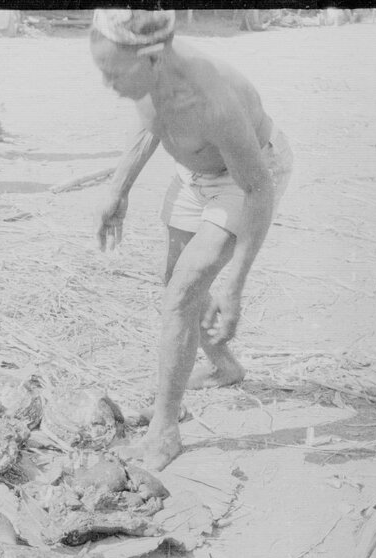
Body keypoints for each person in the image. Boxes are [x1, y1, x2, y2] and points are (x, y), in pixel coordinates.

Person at [89, 10, 293, 470]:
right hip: (195, 172)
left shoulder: (211, 101)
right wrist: (117, 188)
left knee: (184, 294)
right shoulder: (149, 76)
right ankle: (225, 366)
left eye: (113, 74)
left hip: (246, 177)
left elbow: (258, 188)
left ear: (154, 57)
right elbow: (150, 120)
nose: (107, 85)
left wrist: (236, 283)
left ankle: (164, 432)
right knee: (175, 288)